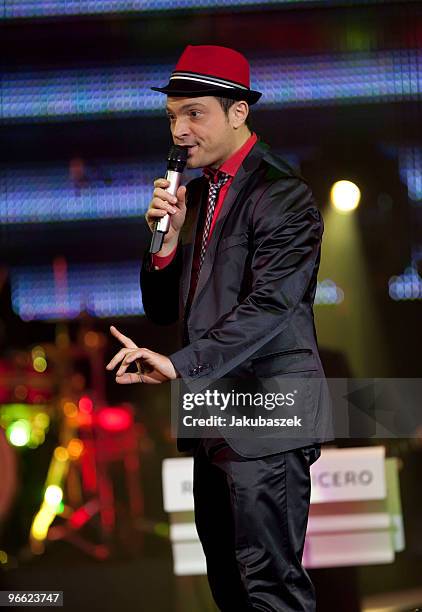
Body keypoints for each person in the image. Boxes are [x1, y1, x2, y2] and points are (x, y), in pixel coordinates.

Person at [106, 44, 334, 611]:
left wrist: (178, 365)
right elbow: (164, 311)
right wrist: (164, 241)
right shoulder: (202, 192)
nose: (179, 131)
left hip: (268, 416)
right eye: (172, 117)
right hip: (215, 419)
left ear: (239, 112)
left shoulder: (282, 192)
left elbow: (272, 308)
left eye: (194, 114)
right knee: (230, 591)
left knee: (270, 590)